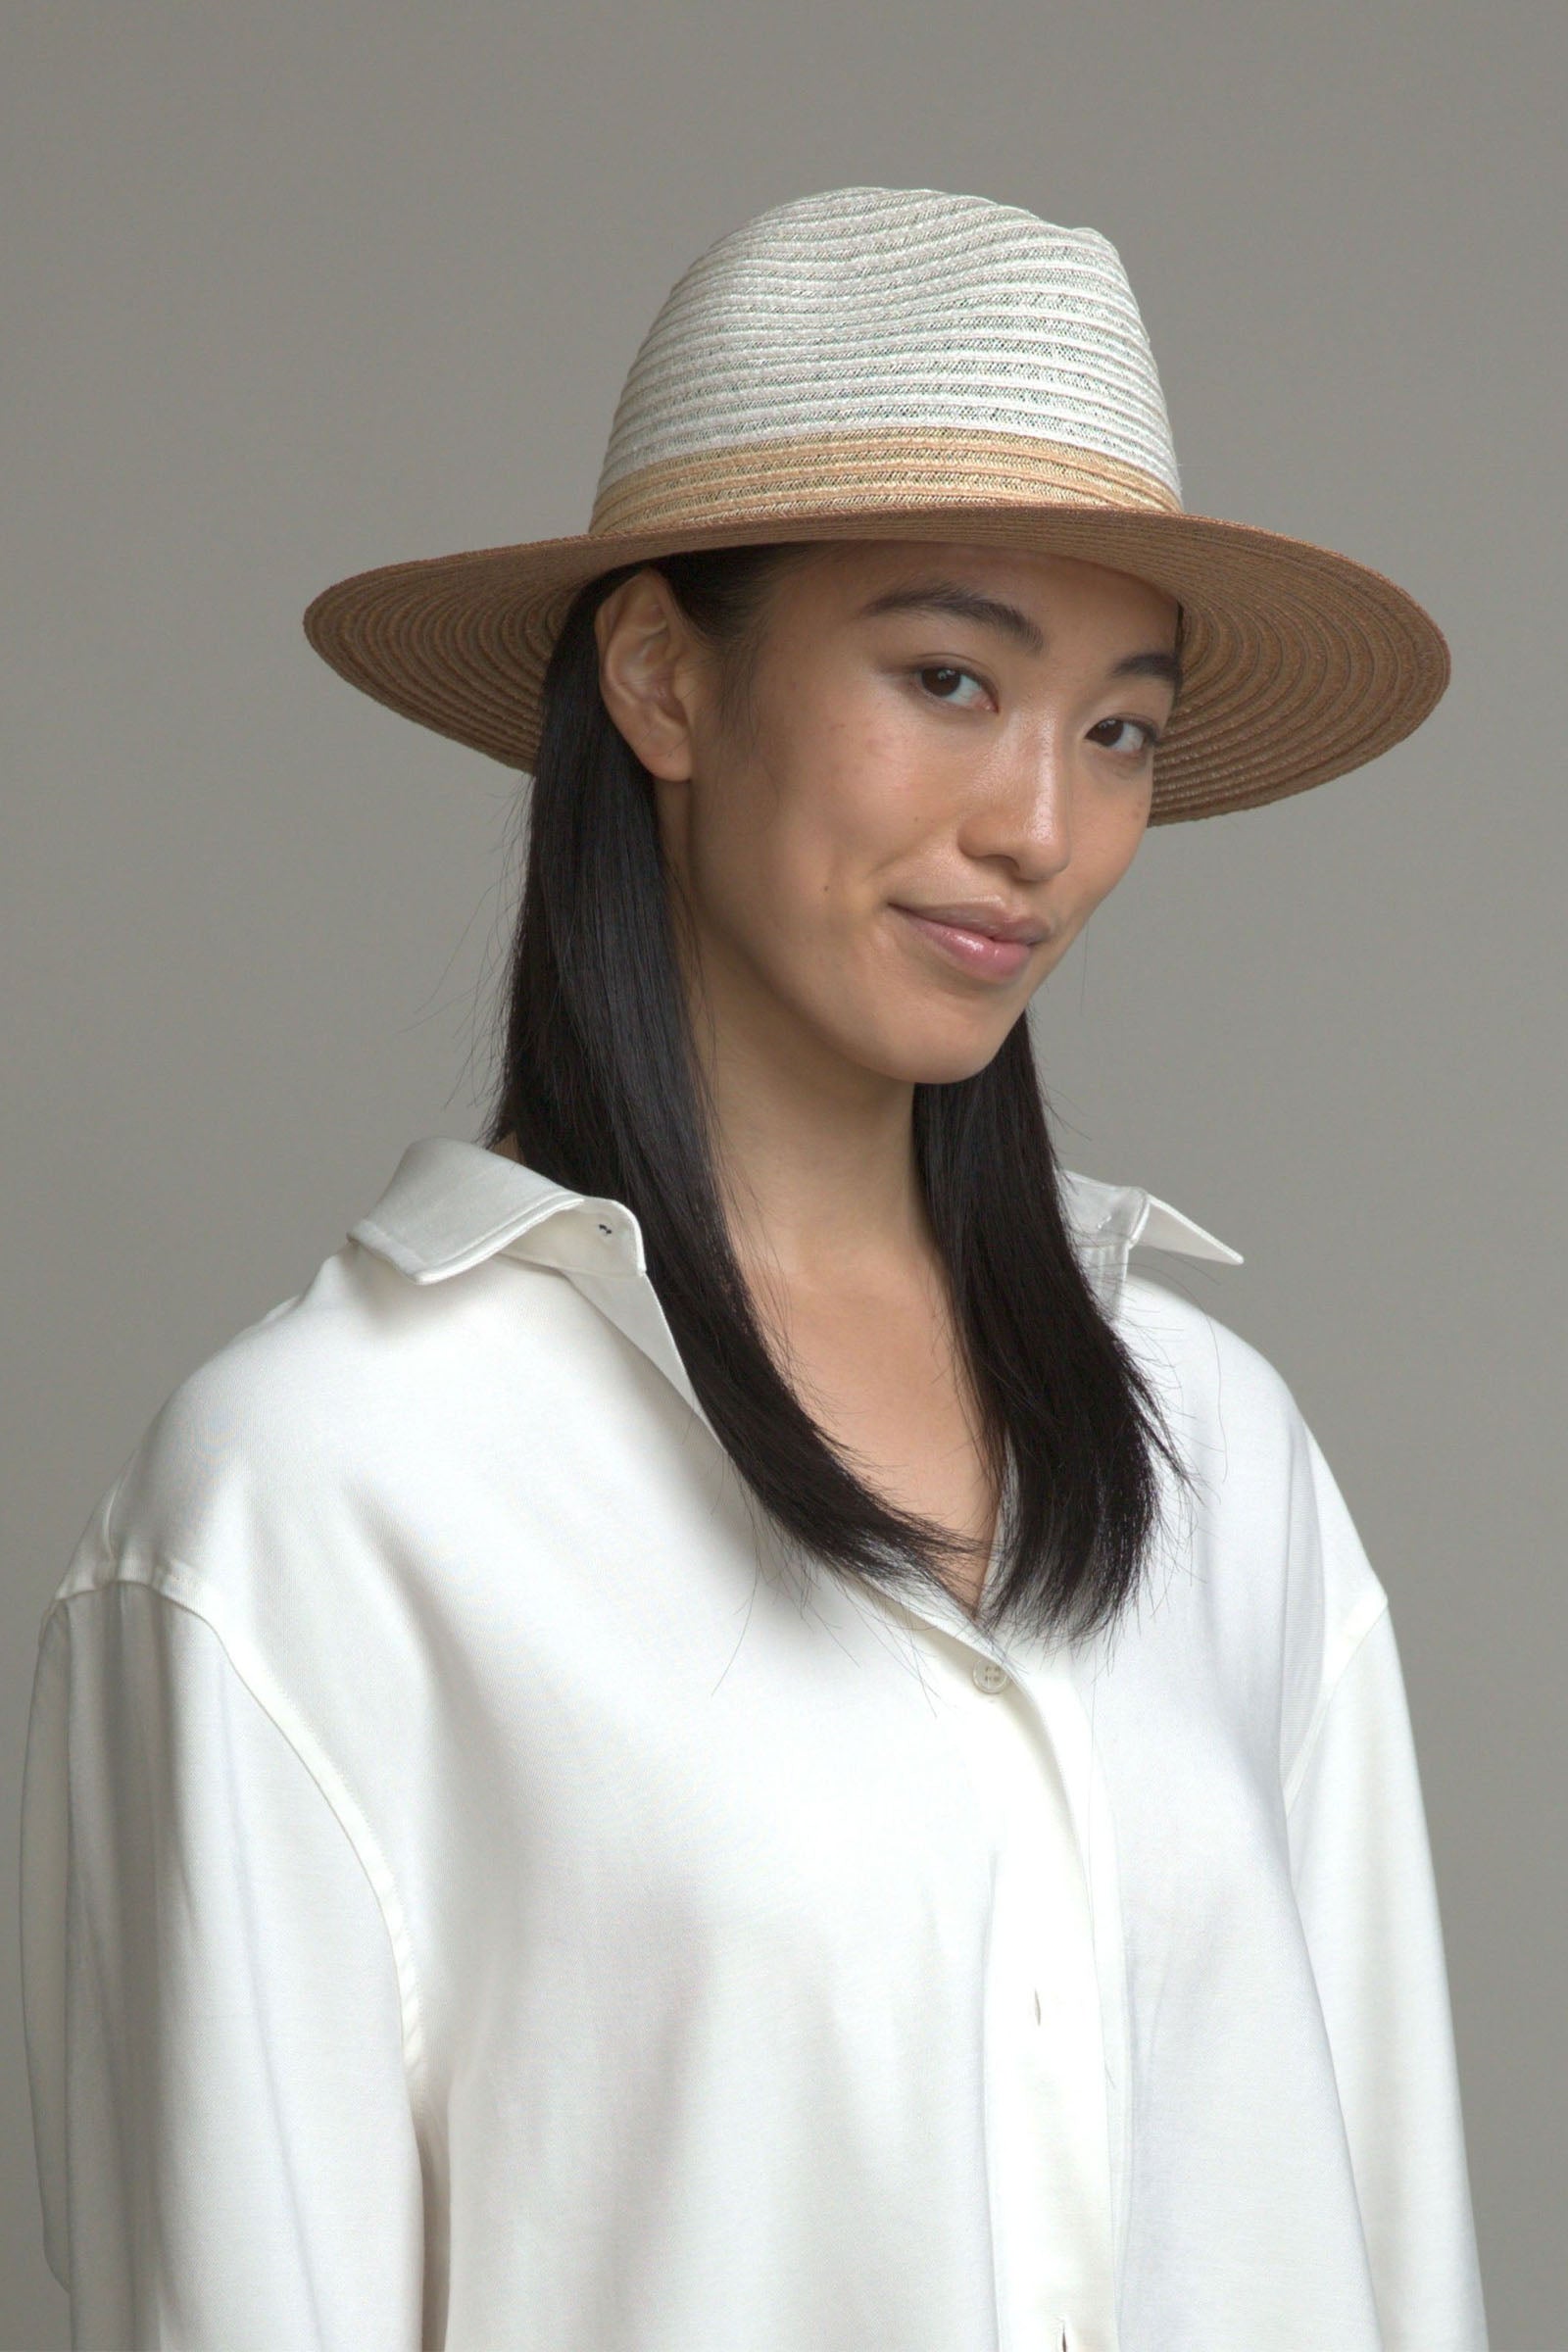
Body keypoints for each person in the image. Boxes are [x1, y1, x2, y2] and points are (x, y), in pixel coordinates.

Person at [20, 185, 1488, 2352]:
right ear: (660, 680)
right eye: (947, 677)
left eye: (1115, 728)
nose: (1039, 828)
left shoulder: (1217, 1459)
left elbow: (1377, 2250)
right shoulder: (319, 1497)